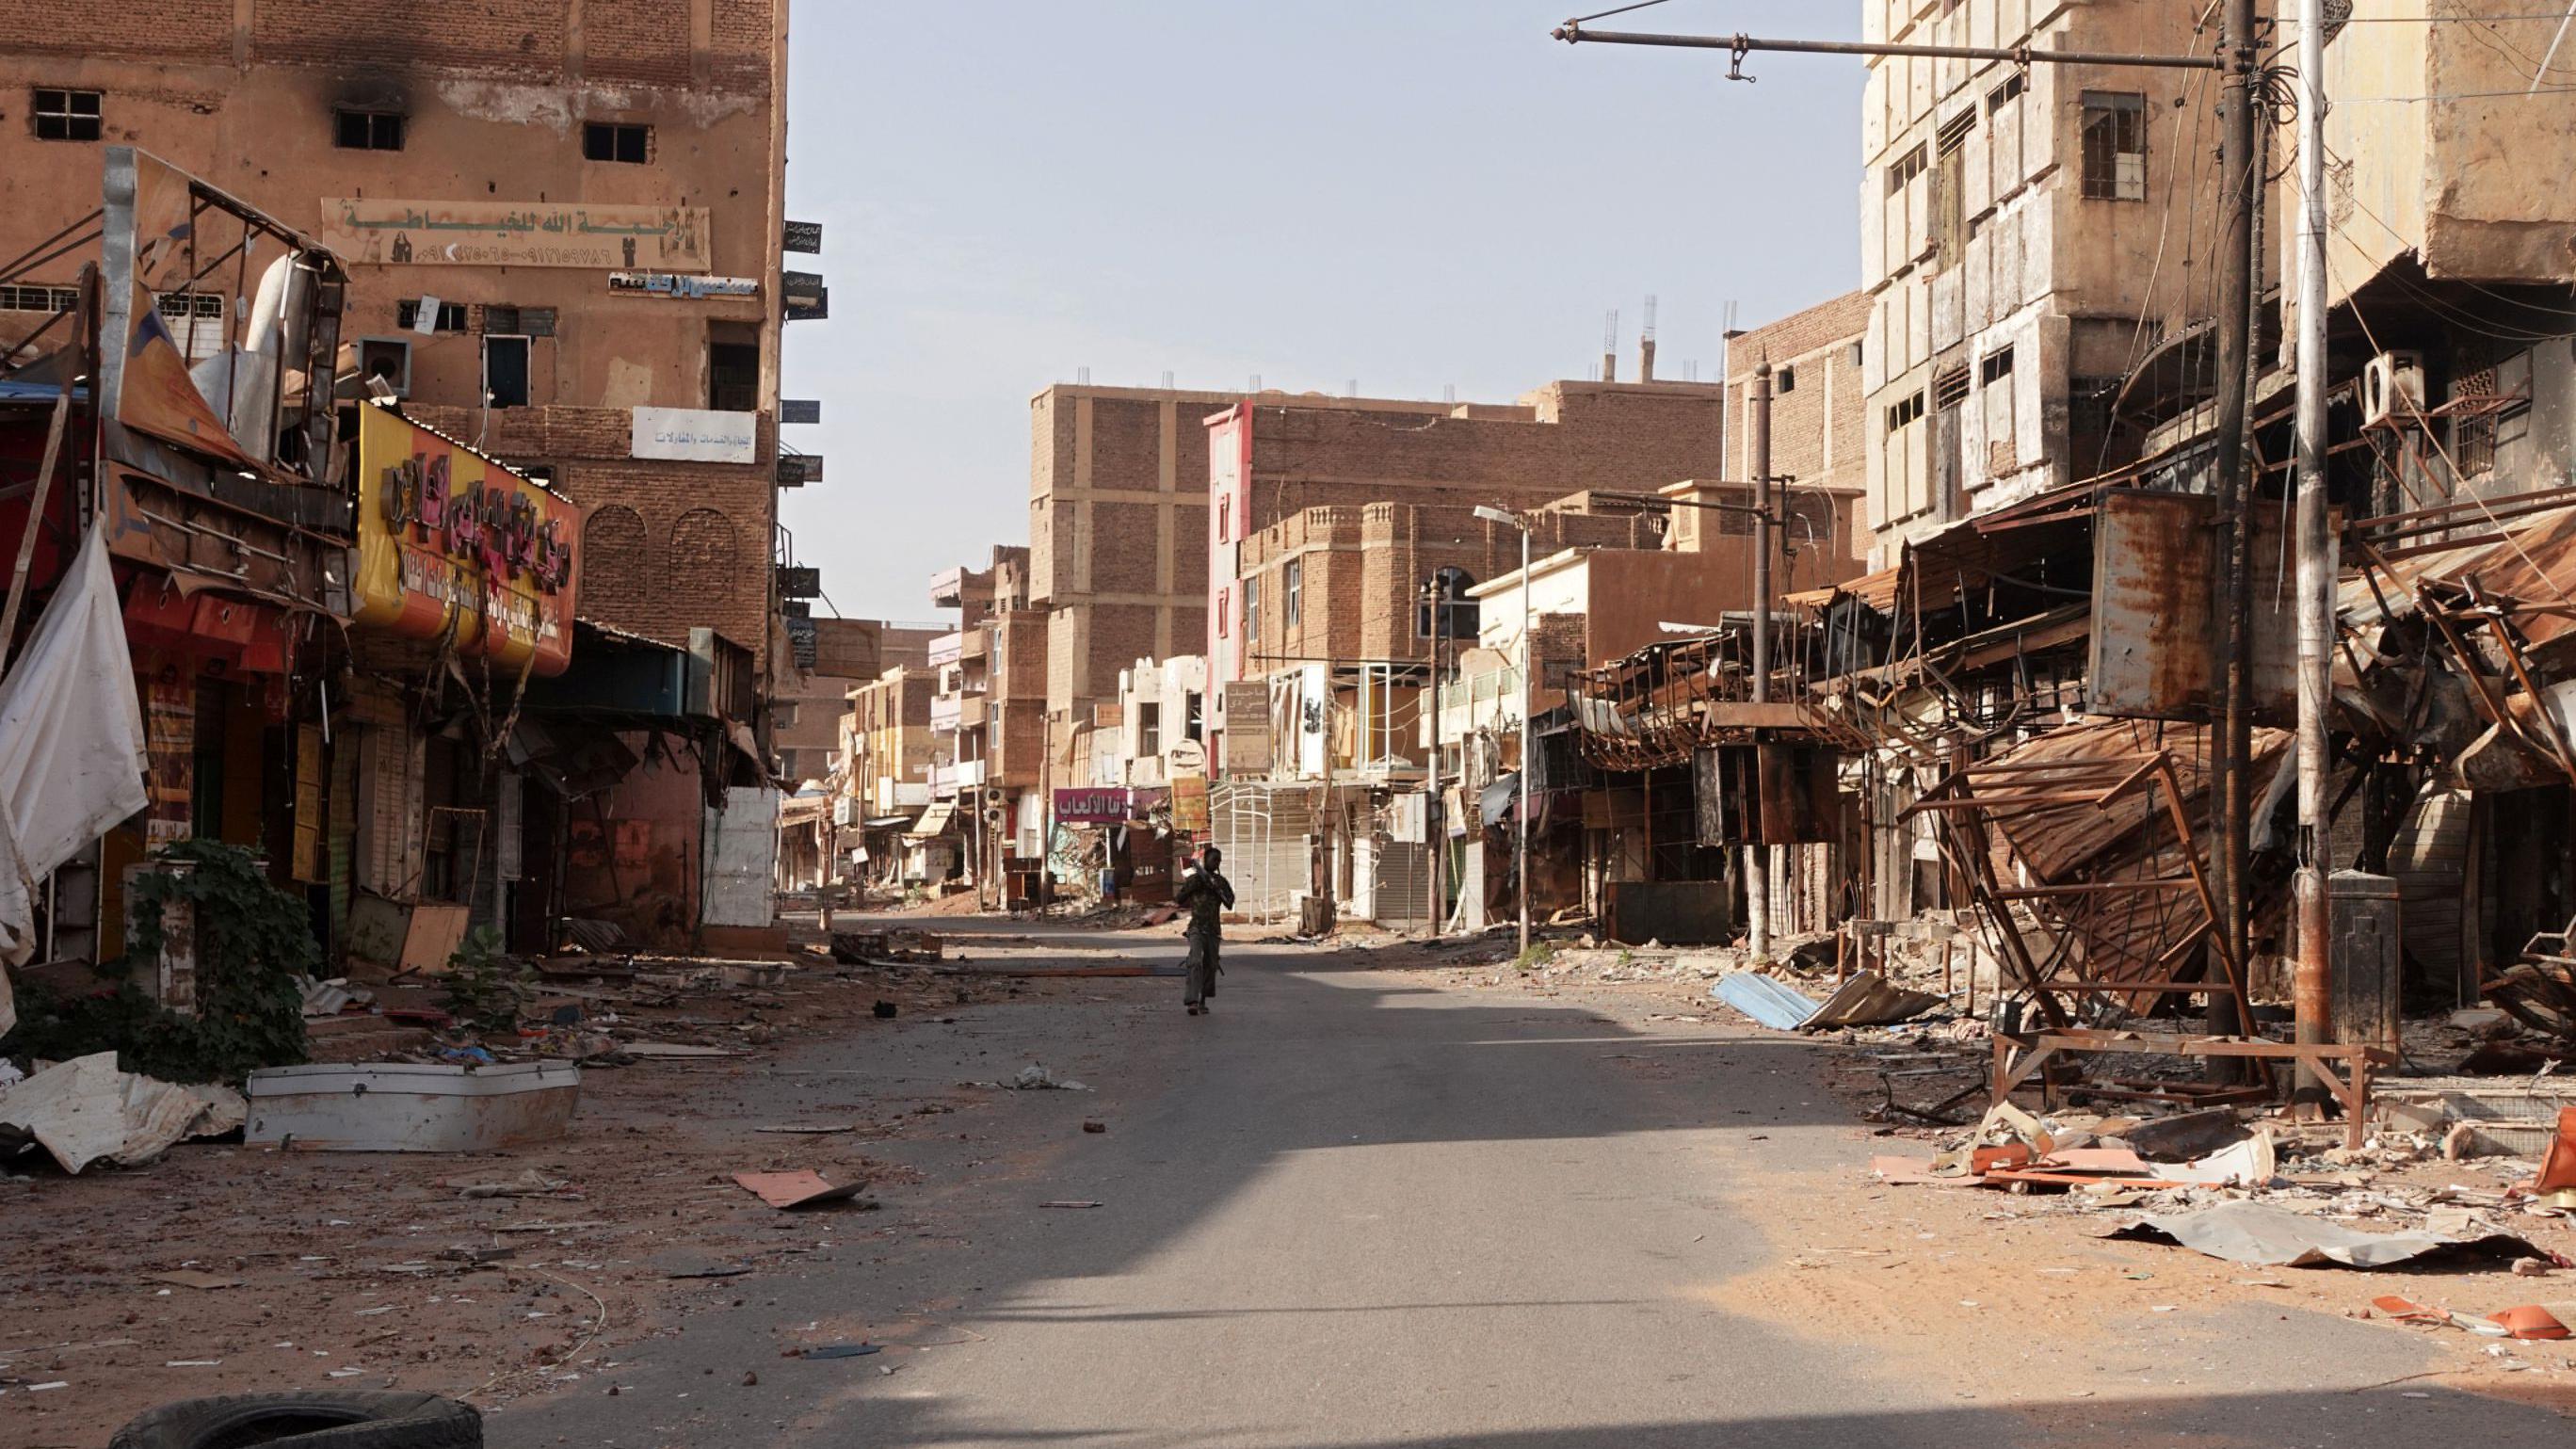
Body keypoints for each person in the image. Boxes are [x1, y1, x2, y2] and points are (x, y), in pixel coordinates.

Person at [1174, 845, 1234, 1015]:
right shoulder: (1195, 879)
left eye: (1219, 861)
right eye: (1214, 859)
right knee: (1195, 962)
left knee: (1210, 965)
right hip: (1197, 928)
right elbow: (1179, 898)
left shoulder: (1221, 882)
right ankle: (1192, 1000)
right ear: (1206, 860)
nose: (1216, 863)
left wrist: (1217, 888)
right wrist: (1197, 884)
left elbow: (1229, 903)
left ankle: (1202, 1000)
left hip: (1214, 930)